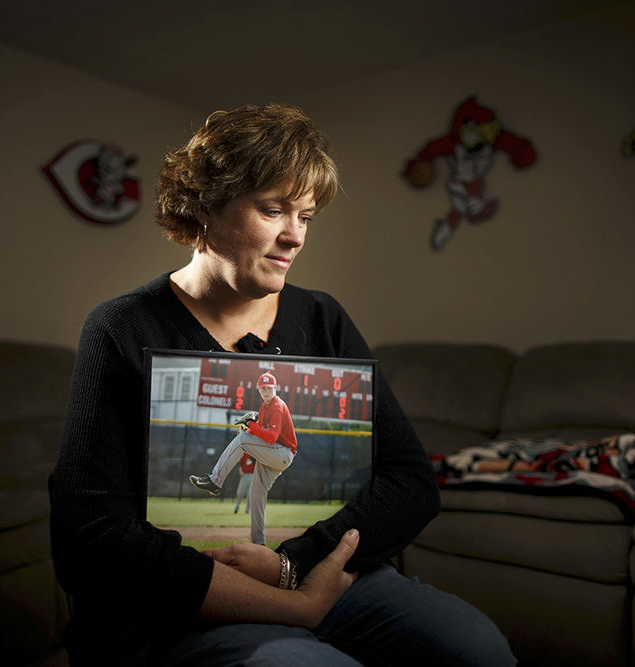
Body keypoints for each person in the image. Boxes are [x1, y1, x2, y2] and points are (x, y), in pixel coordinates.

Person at [49, 103, 515, 665]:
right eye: (274, 210)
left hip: (324, 573)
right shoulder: (122, 326)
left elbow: (411, 481)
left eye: (307, 217)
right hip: (192, 600)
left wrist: (294, 566)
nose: (294, 237)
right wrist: (295, 608)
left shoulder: (323, 318)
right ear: (204, 206)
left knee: (477, 650)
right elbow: (88, 536)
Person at [190, 372, 296, 544]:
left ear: (275, 389)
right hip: (275, 455)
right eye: (263, 388)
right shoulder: (264, 407)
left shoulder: (277, 406)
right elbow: (260, 435)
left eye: (270, 388)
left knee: (241, 441)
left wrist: (251, 427)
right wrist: (249, 429)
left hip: (282, 452)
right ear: (259, 390)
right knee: (256, 493)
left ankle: (215, 481)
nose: (267, 391)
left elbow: (271, 438)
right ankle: (258, 543)